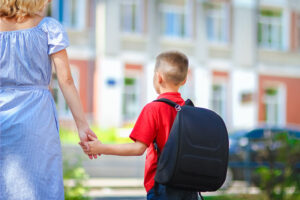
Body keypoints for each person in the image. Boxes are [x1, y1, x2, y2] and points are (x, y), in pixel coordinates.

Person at [0, 0, 97, 199]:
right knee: (39, 180)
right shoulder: (48, 27)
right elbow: (66, 80)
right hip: (37, 117)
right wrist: (82, 126)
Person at [83, 51, 200, 200]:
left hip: (162, 188)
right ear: (184, 81)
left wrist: (101, 148)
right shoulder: (190, 110)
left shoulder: (154, 109)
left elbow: (138, 148)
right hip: (188, 188)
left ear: (158, 77)